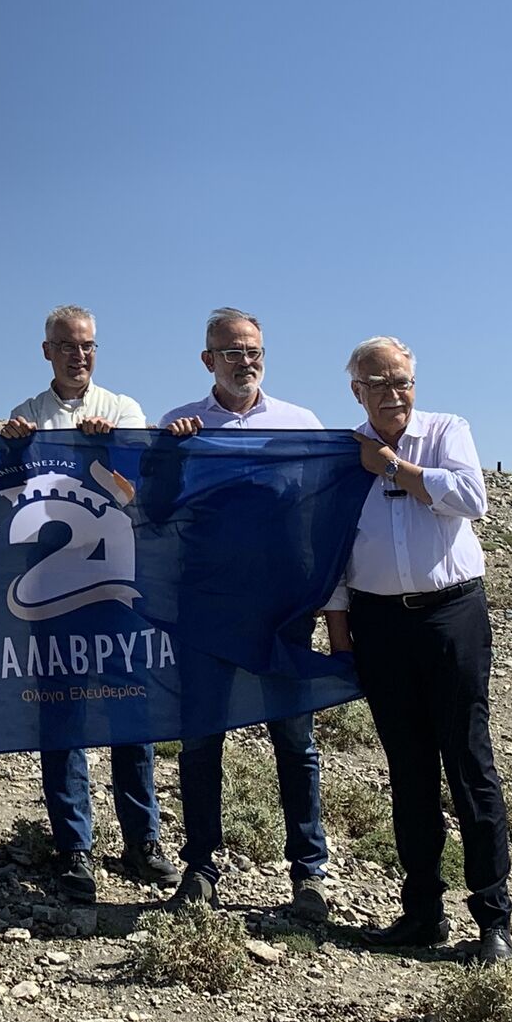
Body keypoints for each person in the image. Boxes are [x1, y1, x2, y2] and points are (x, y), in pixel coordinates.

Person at [327, 337, 512, 964]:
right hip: (380, 625)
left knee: (469, 764)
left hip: (450, 616)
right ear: (357, 391)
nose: (392, 393)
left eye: (401, 381)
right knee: (408, 773)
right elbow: (333, 550)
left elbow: (471, 499)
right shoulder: (342, 453)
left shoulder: (445, 431)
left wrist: (395, 468)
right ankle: (421, 913)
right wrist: (341, 628)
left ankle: (492, 917)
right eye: (377, 383)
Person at [0, 305, 180, 902]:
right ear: (46, 350)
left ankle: (142, 839)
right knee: (63, 712)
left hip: (115, 585)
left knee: (132, 709)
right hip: (54, 591)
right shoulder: (26, 416)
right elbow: (9, 497)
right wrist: (9, 448)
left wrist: (107, 455)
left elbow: (136, 497)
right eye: (67, 345)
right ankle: (74, 846)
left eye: (88, 345)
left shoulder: (124, 411)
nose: (79, 355)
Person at [157, 308, 332, 921]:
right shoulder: (183, 426)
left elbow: (325, 511)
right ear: (208, 361)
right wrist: (167, 455)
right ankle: (200, 867)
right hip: (205, 606)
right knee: (202, 739)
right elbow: (153, 512)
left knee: (295, 738)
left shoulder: (302, 424)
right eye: (231, 351)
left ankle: (309, 874)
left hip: (282, 609)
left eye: (253, 349)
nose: (245, 360)